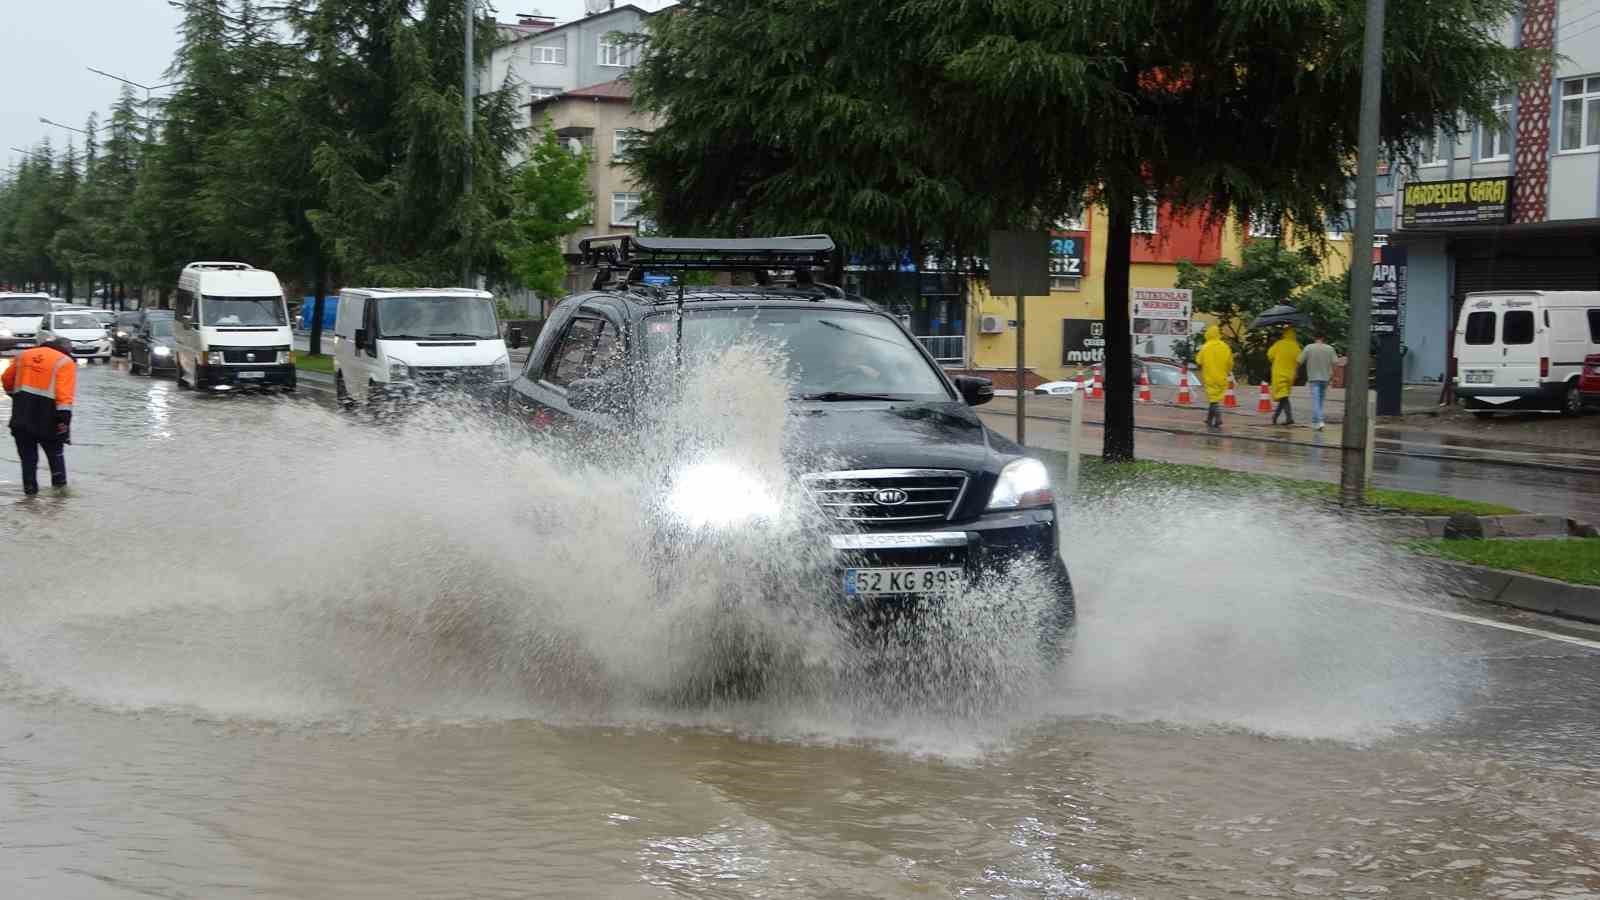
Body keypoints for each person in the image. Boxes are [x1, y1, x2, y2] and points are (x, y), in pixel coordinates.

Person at [2, 335, 76, 495]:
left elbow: (6, 379)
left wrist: (15, 396)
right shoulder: (65, 362)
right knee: (55, 456)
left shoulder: (24, 355)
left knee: (28, 460)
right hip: (48, 420)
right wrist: (65, 422)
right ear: (66, 350)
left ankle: (29, 496)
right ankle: (60, 496)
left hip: (21, 418)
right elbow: (64, 396)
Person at [1194, 324, 1234, 430]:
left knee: (1213, 399)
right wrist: (1227, 371)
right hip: (1222, 377)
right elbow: (1230, 363)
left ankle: (1218, 418)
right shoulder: (1225, 346)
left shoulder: (1205, 347)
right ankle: (1209, 419)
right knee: (1214, 399)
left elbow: (1198, 360)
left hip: (1210, 377)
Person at [1298, 332, 1338, 430]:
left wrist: (1296, 372)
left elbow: (1299, 361)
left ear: (1314, 338)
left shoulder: (1308, 348)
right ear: (1323, 338)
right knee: (1320, 401)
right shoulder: (1330, 348)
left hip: (1313, 378)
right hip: (1325, 379)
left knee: (1316, 401)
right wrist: (1332, 375)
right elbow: (1335, 363)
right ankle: (1315, 421)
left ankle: (1320, 421)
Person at [1266, 325, 1302, 425]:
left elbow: (1269, 355)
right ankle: (1275, 417)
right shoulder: (1296, 346)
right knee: (1284, 396)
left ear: (1284, 334)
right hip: (1290, 374)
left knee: (1283, 396)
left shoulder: (1279, 344)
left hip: (1279, 373)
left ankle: (1289, 418)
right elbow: (1300, 359)